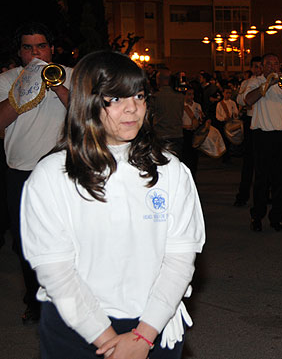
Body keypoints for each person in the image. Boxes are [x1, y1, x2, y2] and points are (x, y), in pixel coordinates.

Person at [20, 50, 206, 359]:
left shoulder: (171, 170)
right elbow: (56, 270)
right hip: (77, 326)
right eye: (115, 99)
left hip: (155, 323)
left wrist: (144, 336)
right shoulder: (52, 175)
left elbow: (180, 258)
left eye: (139, 95)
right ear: (87, 103)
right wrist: (108, 339)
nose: (132, 108)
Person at [0, 22, 72, 324]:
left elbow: (84, 113)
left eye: (41, 46)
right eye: (28, 48)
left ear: (51, 49)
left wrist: (55, 85)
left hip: (63, 169)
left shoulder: (70, 73)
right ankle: (36, 300)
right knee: (25, 242)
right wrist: (24, 89)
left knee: (67, 238)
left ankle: (69, 302)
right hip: (21, 171)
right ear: (20, 53)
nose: (35, 53)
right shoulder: (6, 79)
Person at [242, 53, 282, 232]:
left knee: (279, 179)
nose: (272, 66)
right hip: (262, 135)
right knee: (261, 178)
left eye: (276, 63)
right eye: (269, 64)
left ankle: (277, 218)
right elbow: (248, 100)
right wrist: (267, 84)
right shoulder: (255, 81)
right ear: (262, 66)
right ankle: (257, 216)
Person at [234, 56, 262, 207]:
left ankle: (264, 194)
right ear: (251, 68)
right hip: (251, 121)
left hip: (263, 124)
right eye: (255, 66)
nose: (258, 69)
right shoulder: (247, 83)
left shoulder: (267, 81)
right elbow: (240, 100)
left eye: (260, 66)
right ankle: (242, 195)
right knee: (249, 161)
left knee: (263, 162)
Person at [152, 69, 184, 157]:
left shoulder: (156, 96)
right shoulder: (180, 96)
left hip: (161, 134)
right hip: (177, 134)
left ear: (160, 79)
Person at [182, 86, 204, 179]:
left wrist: (200, 119)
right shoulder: (181, 106)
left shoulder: (197, 106)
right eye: (189, 94)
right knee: (185, 156)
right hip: (184, 132)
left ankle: (193, 176)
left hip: (194, 132)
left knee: (194, 157)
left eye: (192, 94)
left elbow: (200, 119)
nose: (191, 97)